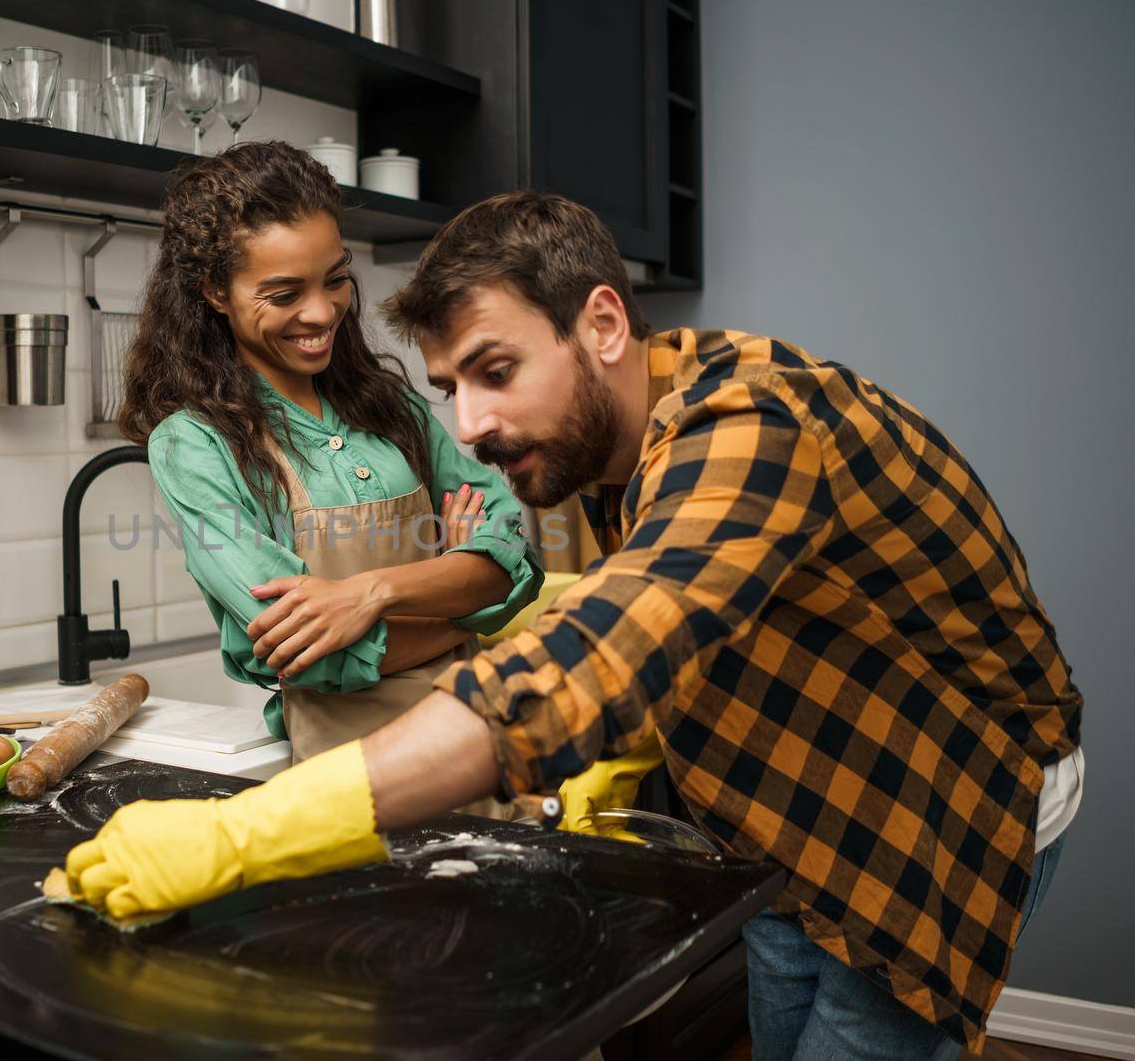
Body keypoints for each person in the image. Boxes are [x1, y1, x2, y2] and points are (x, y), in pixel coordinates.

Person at [65, 191, 1084, 1057]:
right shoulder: (611, 438)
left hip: (940, 794)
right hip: (789, 792)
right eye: (450, 388)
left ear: (600, 324)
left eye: (493, 370)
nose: (466, 426)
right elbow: (633, 610)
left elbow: (593, 645)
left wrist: (239, 833)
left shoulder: (753, 425)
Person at [118, 142, 542, 807]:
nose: (321, 312)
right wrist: (459, 599)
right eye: (284, 293)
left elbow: (513, 553)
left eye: (335, 278)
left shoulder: (392, 407)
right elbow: (302, 654)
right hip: (353, 790)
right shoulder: (196, 445)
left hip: (486, 753)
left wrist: (367, 596)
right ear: (213, 292)